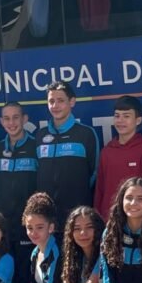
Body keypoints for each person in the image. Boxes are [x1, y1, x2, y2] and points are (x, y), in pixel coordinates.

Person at [35, 81, 100, 224]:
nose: (55, 106)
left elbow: (95, 173)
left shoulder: (86, 134)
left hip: (77, 215)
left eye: (60, 101)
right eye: (51, 101)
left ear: (72, 102)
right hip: (47, 216)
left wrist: (77, 195)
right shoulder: (40, 135)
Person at [0, 101, 38, 283]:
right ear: (1, 121)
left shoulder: (36, 146)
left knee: (25, 269)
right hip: (2, 222)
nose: (11, 123)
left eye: (16, 117)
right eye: (7, 118)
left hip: (26, 222)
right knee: (3, 269)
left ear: (25, 119)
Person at [94, 95, 142, 220]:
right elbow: (99, 191)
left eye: (126, 116)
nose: (120, 120)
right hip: (109, 222)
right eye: (117, 116)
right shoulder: (106, 152)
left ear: (138, 120)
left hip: (136, 222)